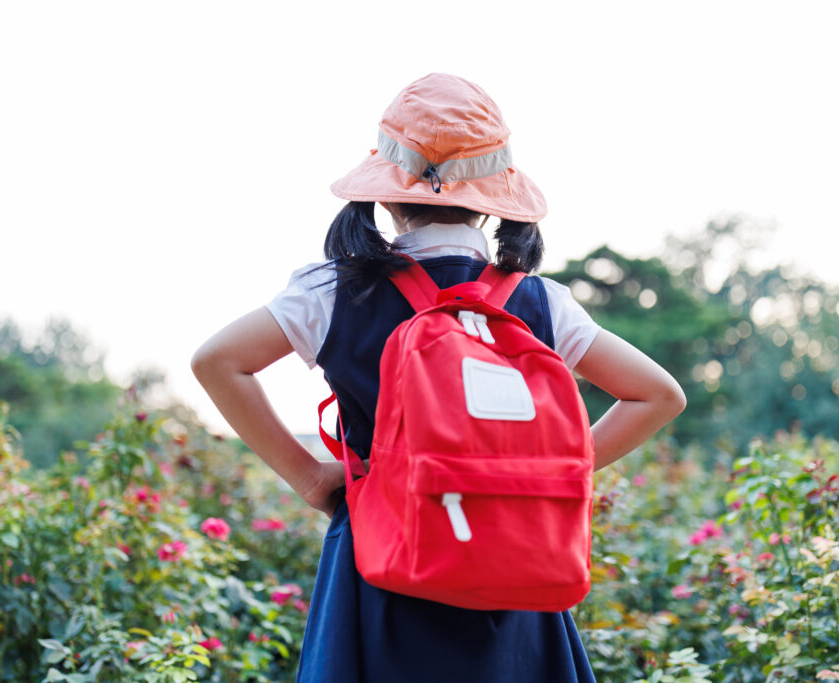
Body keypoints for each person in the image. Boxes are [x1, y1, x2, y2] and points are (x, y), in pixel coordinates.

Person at [191, 73, 686, 683]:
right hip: (514, 566)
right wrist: (547, 474)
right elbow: (659, 395)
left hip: (379, 558)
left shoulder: (332, 291)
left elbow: (217, 361)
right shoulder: (542, 304)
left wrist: (311, 479)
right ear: (493, 199)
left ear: (386, 196)